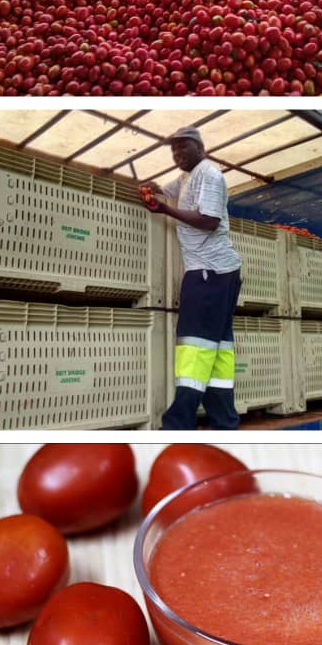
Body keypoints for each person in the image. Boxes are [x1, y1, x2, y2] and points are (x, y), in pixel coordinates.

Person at [141, 126, 243, 430]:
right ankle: (224, 420)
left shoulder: (209, 175)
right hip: (218, 273)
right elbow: (169, 190)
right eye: (173, 150)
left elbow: (209, 221)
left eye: (183, 148)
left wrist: (165, 211)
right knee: (218, 347)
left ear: (200, 147)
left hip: (210, 272)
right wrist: (154, 188)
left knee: (195, 345)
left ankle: (178, 422)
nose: (176, 155)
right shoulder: (188, 176)